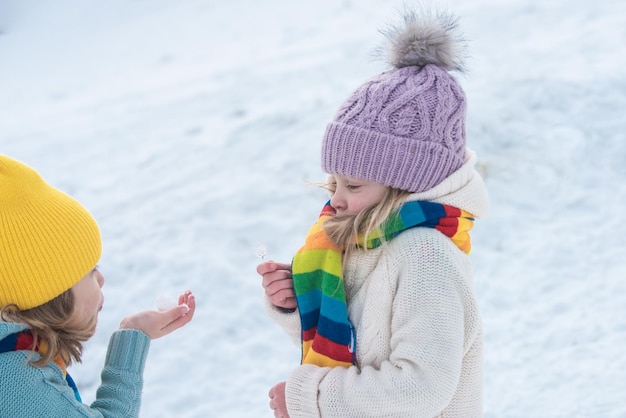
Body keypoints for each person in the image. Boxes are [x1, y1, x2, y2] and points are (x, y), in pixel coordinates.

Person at [256, 8, 489, 418]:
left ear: (406, 183)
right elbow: (354, 340)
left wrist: (310, 397)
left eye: (354, 186)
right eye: (334, 183)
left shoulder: (425, 256)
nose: (336, 200)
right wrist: (296, 305)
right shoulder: (365, 238)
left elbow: (418, 389)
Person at [0, 155, 196, 417]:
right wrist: (132, 337)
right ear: (48, 292)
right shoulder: (21, 384)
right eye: (90, 270)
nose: (101, 279)